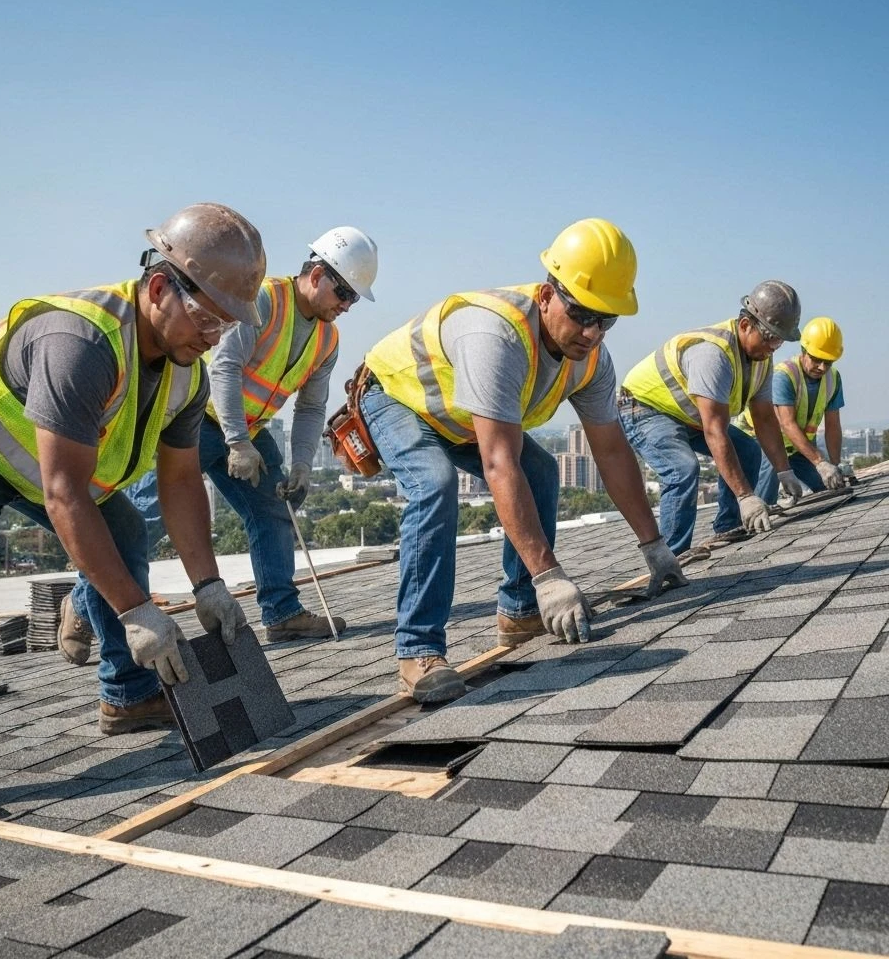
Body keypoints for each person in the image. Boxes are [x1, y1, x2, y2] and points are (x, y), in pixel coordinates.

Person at [0, 202, 265, 817]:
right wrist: (137, 611)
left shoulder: (186, 374)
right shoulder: (81, 343)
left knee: (123, 531)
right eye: (207, 318)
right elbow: (65, 495)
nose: (213, 336)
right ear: (162, 287)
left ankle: (127, 694)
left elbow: (181, 482)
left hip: (35, 457)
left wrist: (209, 586)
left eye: (228, 327)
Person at [358, 218, 686, 704]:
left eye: (606, 320)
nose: (592, 333)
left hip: (462, 415)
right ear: (549, 293)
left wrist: (653, 546)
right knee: (434, 483)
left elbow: (613, 451)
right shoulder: (497, 335)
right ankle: (419, 652)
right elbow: (497, 464)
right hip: (399, 399)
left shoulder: (591, 359)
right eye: (582, 314)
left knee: (543, 470)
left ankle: (518, 611)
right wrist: (550, 575)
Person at [59, 226, 378, 663]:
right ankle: (80, 601)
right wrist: (237, 443)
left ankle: (282, 613)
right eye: (343, 292)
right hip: (198, 420)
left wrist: (302, 463)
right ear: (318, 273)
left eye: (353, 299)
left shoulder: (327, 338)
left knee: (272, 508)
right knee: (144, 520)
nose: (345, 305)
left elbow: (310, 407)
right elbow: (225, 368)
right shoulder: (264, 301)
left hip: (250, 430)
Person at [619, 280, 806, 556]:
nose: (774, 346)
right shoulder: (713, 354)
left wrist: (783, 470)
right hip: (644, 408)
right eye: (770, 337)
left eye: (780, 339)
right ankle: (672, 556)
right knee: (682, 468)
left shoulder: (761, 359)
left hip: (687, 415)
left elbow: (765, 419)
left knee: (748, 450)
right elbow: (715, 431)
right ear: (745, 325)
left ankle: (729, 526)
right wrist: (745, 496)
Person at [744, 316, 848, 502]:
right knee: (766, 501)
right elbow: (787, 423)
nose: (822, 367)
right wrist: (819, 462)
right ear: (803, 350)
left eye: (828, 362)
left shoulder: (833, 379)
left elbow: (833, 425)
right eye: (816, 360)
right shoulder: (784, 376)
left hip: (797, 448)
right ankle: (760, 512)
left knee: (829, 487)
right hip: (764, 441)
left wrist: (834, 465)